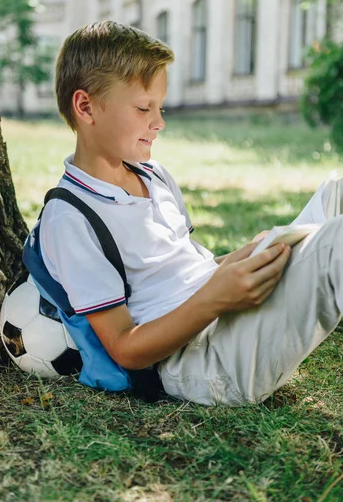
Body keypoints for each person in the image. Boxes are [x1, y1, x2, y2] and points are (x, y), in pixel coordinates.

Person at [40, 21, 343, 406]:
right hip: (199, 361)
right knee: (336, 242)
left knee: (338, 192)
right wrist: (216, 299)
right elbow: (126, 349)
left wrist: (241, 258)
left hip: (226, 315)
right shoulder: (70, 217)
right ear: (85, 107)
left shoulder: (154, 175)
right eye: (142, 108)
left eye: (159, 107)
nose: (159, 122)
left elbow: (183, 271)